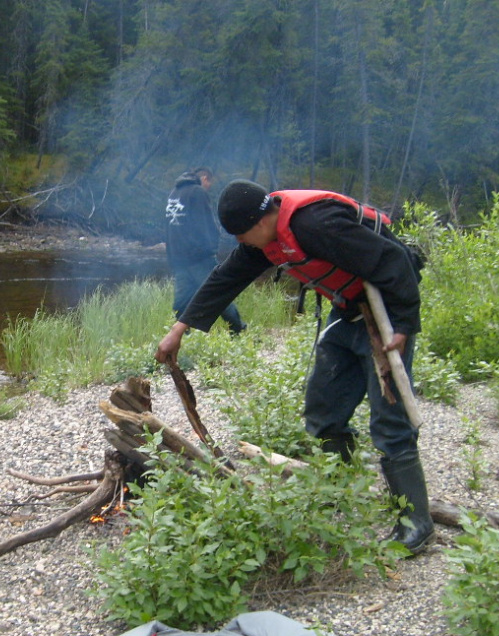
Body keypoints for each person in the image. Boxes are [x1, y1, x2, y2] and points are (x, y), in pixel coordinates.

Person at [155, 180, 434, 555]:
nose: (244, 244)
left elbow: (393, 260)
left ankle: (416, 522)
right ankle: (340, 489)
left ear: (260, 220)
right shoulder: (265, 238)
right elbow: (225, 278)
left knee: (390, 418)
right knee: (323, 410)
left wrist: (402, 325)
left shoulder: (316, 224)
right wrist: (178, 330)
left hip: (384, 307)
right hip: (346, 309)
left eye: (243, 235)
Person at [165, 168, 246, 334]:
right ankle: (238, 330)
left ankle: (185, 336)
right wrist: (211, 247)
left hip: (179, 258)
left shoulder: (173, 193)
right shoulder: (198, 192)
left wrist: (171, 256)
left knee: (181, 303)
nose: (208, 187)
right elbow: (206, 223)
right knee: (217, 294)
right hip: (199, 257)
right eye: (209, 183)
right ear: (204, 178)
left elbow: (168, 228)